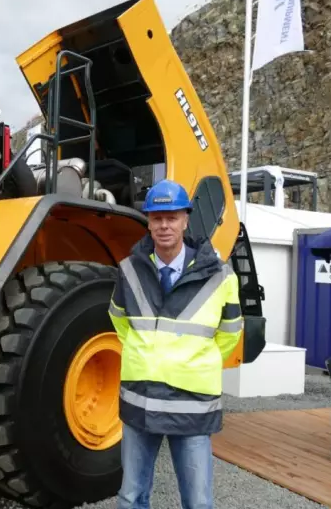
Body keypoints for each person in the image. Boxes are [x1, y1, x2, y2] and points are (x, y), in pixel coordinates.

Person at [108, 179, 243, 509]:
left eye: (172, 217)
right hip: (141, 400)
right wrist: (149, 355)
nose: (164, 225)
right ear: (149, 223)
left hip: (191, 405)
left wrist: (191, 362)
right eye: (157, 218)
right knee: (130, 497)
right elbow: (120, 321)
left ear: (185, 220)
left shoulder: (221, 276)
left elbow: (230, 334)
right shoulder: (128, 270)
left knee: (197, 502)